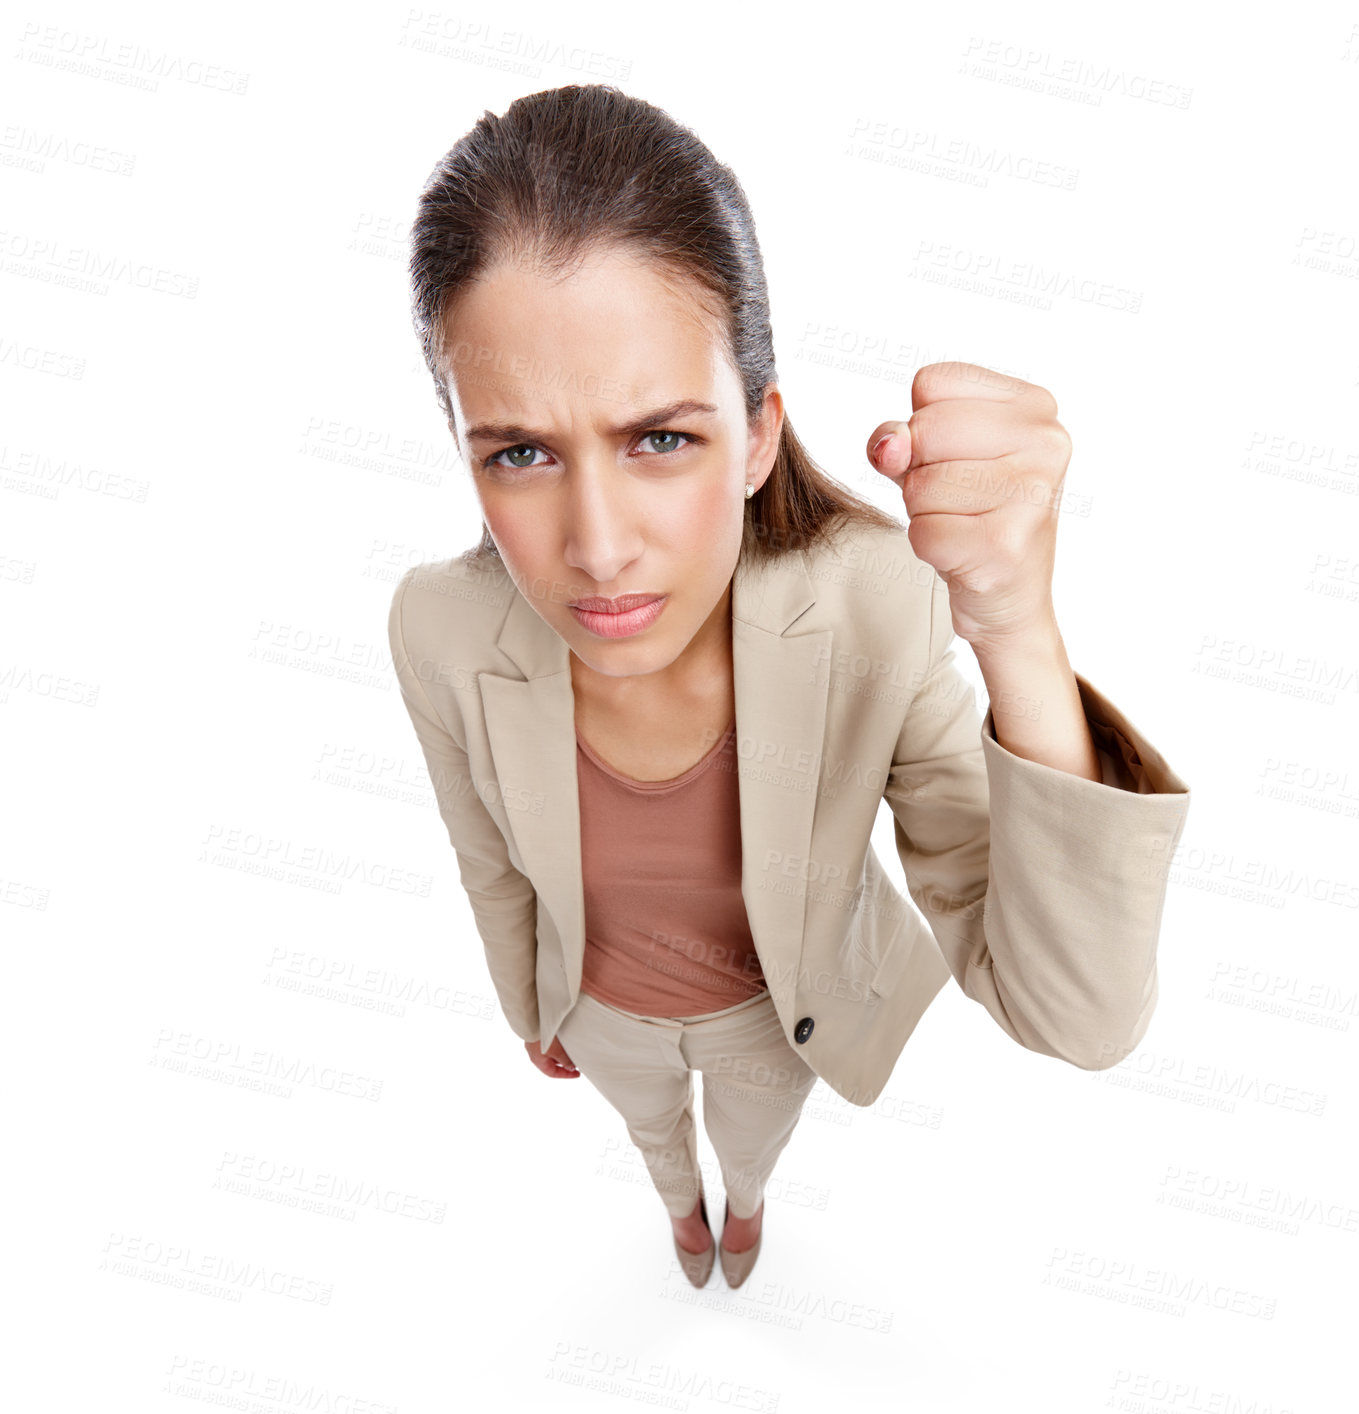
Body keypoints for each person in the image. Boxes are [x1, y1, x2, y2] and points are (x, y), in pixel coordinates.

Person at [388, 83, 1192, 1291]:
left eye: (660, 437)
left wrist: (1015, 625)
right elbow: (485, 852)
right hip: (599, 1017)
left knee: (747, 1144)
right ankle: (678, 1205)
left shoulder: (877, 598)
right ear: (462, 445)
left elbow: (1075, 1015)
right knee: (655, 1137)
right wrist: (529, 1006)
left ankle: (744, 1203)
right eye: (521, 452)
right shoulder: (437, 627)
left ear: (759, 432)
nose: (598, 547)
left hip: (781, 1015)